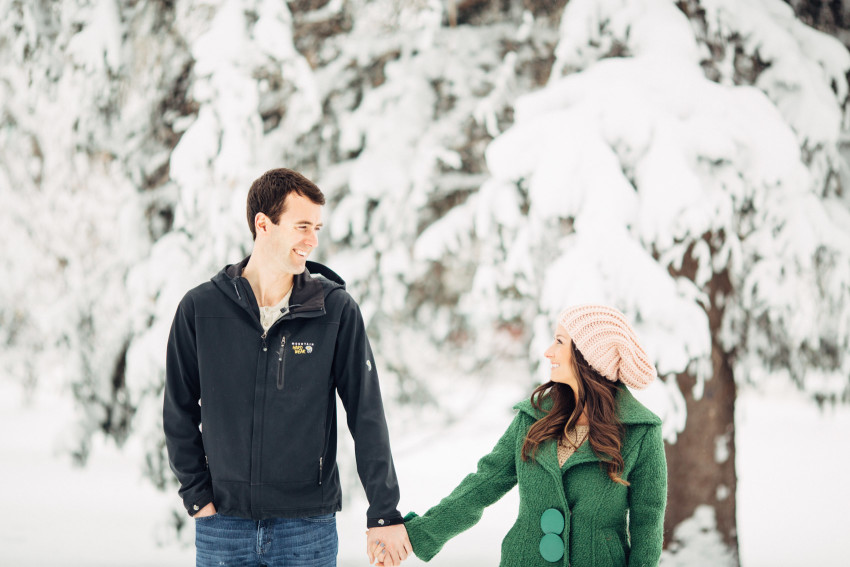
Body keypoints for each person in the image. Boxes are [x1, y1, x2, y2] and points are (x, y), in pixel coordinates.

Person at [164, 168, 411, 567]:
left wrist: (384, 511)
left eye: (316, 227)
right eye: (301, 226)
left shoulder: (334, 310)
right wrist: (198, 497)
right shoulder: (201, 309)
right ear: (264, 224)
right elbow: (178, 411)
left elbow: (366, 414)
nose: (312, 239)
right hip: (223, 526)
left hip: (306, 528)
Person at [394, 304, 667, 566]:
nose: (549, 352)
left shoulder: (641, 432)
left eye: (560, 342)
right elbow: (483, 485)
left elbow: (648, 529)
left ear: (589, 355)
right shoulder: (534, 417)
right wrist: (418, 533)